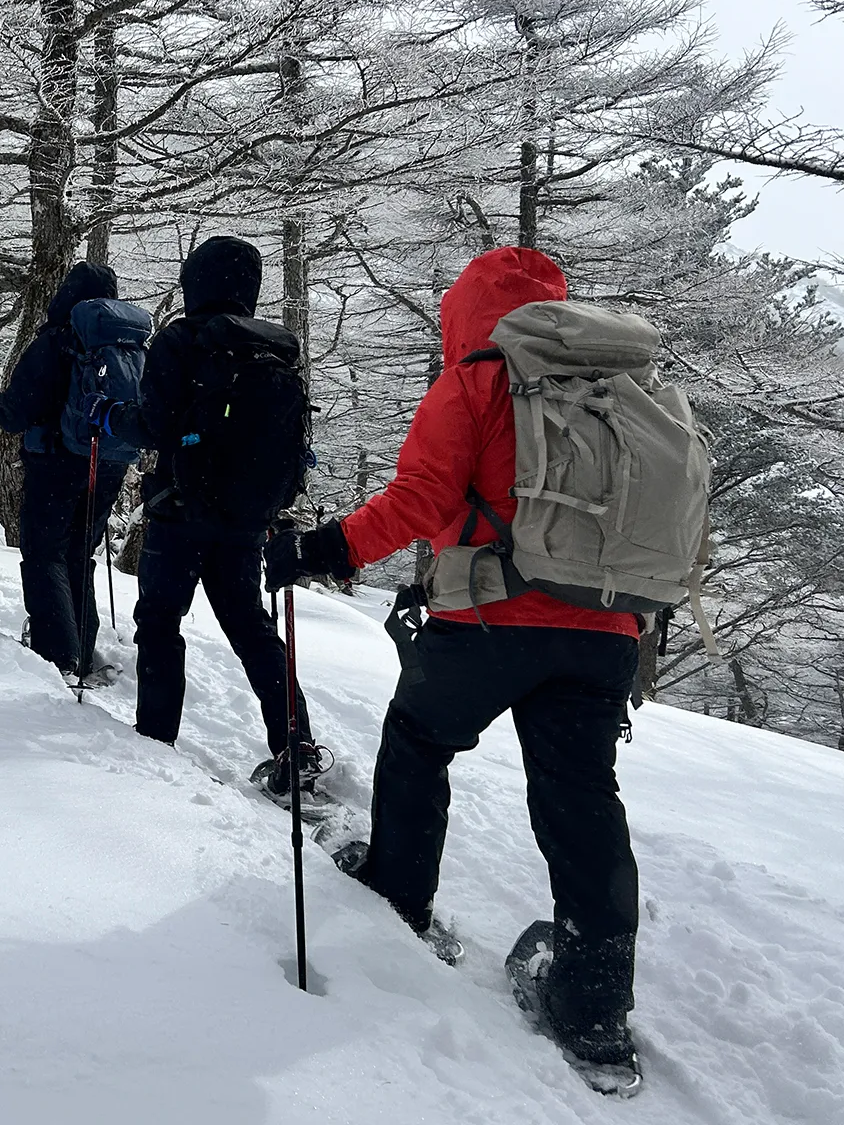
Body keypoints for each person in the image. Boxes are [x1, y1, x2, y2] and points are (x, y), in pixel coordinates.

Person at [263, 246, 643, 1077]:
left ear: (466, 314)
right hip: (608, 628)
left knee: (418, 740)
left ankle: (398, 895)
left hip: (490, 621)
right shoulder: (624, 389)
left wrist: (320, 548)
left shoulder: (474, 380)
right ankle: (595, 1004)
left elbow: (419, 500)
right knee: (582, 798)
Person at [84, 234, 321, 794]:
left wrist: (112, 418)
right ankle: (297, 745)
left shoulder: (182, 339)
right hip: (245, 518)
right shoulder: (277, 348)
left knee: (161, 623)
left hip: (180, 511)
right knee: (252, 630)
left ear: (195, 281)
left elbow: (158, 425)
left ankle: (155, 739)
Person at [0, 261, 135, 678]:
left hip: (56, 461)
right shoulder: (129, 347)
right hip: (109, 462)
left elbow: (18, 412)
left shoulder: (58, 339)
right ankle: (81, 642)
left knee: (45, 554)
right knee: (80, 553)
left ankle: (59, 654)